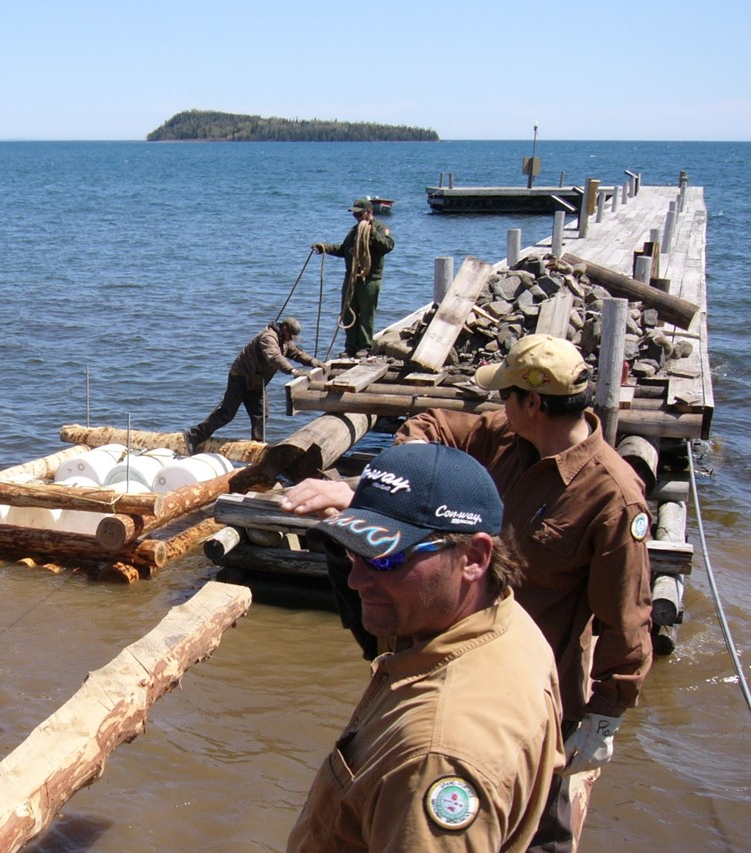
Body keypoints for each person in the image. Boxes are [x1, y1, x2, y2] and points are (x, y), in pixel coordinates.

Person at [281, 334, 652, 851]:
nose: (495, 405)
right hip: (452, 641)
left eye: (506, 395)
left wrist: (607, 712)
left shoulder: (612, 495)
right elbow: (433, 424)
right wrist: (392, 493)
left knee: (543, 821)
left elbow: (626, 614)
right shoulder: (507, 437)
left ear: (533, 403)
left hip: (530, 681)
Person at [286, 442, 563, 852]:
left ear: (474, 557)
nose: (356, 579)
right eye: (354, 550)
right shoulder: (505, 620)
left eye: (387, 559)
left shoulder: (435, 757)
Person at [183, 317, 319, 449]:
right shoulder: (268, 338)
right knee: (227, 413)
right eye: (291, 335)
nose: (291, 339)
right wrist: (293, 371)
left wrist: (312, 361)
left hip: (256, 382)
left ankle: (256, 445)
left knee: (261, 414)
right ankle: (193, 436)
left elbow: (295, 353)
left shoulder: (284, 340)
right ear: (284, 328)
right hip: (241, 378)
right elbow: (274, 357)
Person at [312, 198, 394, 357]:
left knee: (365, 313)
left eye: (359, 214)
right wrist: (325, 248)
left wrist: (371, 232)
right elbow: (344, 250)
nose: (356, 217)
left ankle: (364, 346)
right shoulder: (354, 230)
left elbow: (387, 246)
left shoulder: (380, 228)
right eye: (354, 214)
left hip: (369, 279)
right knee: (348, 313)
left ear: (369, 213)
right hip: (351, 278)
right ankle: (350, 347)